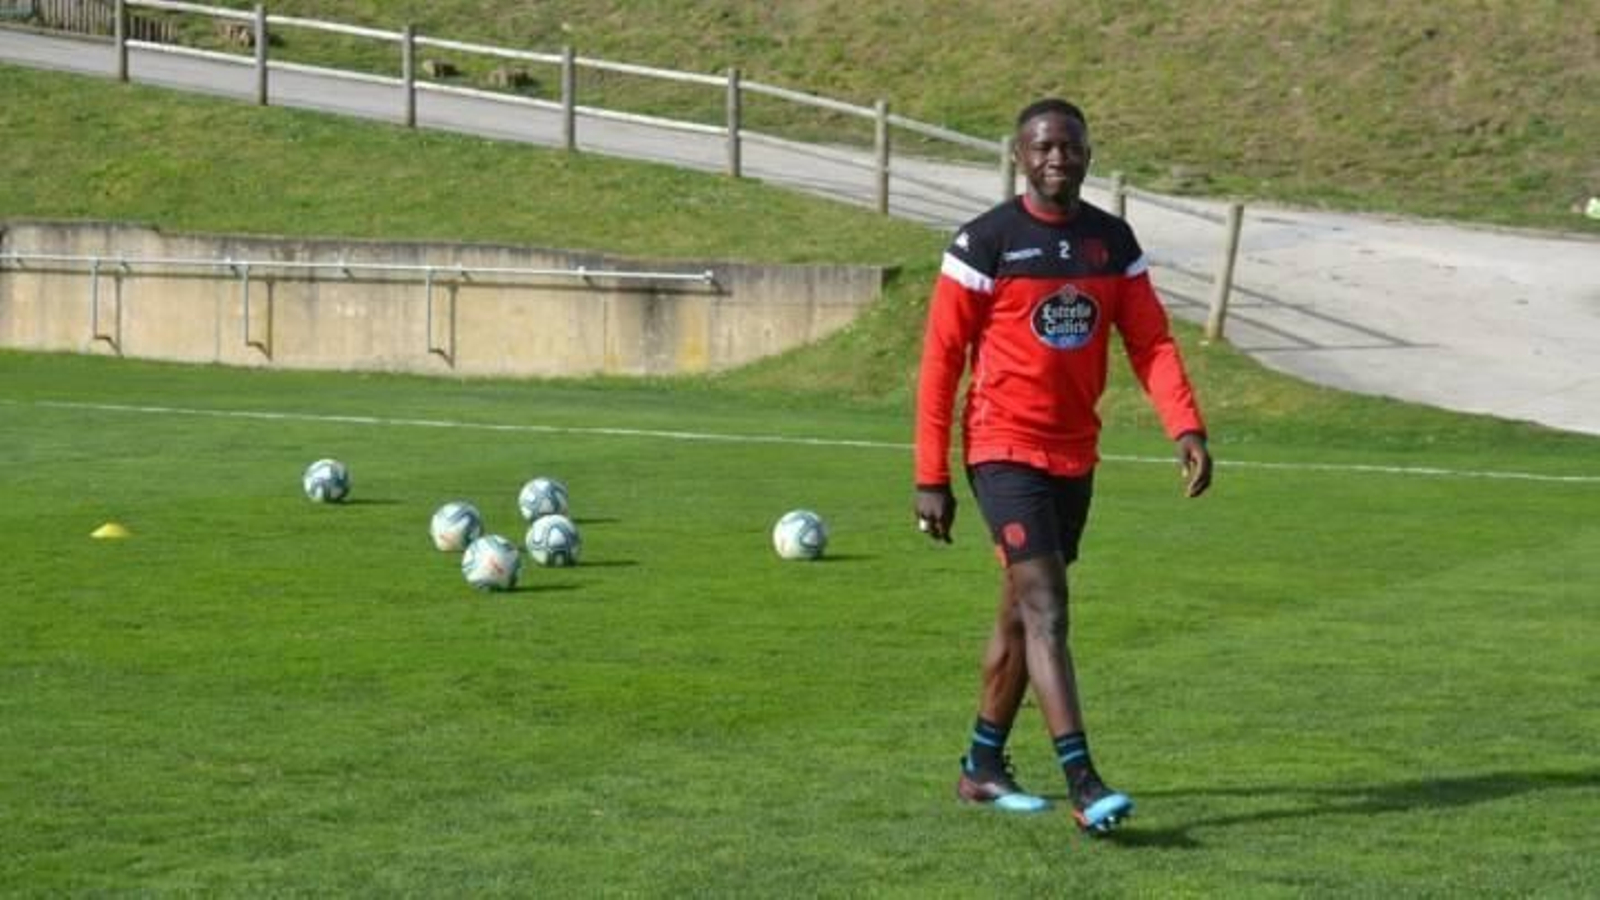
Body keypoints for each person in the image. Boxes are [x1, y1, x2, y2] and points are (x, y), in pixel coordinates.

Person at [913, 98, 1213, 835]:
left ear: (1086, 154)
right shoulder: (985, 241)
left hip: (1074, 455)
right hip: (1001, 448)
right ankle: (1083, 780)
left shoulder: (1111, 243)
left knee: (1019, 614)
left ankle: (981, 767)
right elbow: (941, 362)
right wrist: (932, 475)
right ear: (1020, 155)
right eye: (1044, 147)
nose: (1058, 158)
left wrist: (1186, 424)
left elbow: (1150, 343)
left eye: (1070, 147)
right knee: (1048, 607)